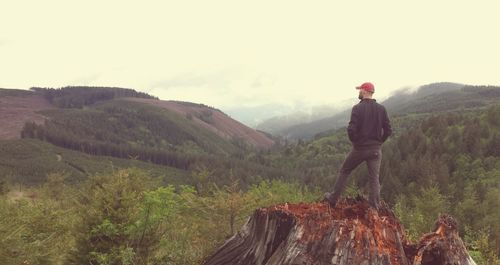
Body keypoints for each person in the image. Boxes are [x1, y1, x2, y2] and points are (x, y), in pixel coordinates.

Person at [324, 82, 392, 209]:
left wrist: (355, 142)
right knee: (374, 178)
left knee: (345, 171)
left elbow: (351, 130)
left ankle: (332, 199)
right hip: (375, 150)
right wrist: (379, 142)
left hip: (360, 148)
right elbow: (388, 130)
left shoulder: (357, 108)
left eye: (360, 90)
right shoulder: (382, 109)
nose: (359, 92)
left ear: (365, 91)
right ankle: (374, 206)